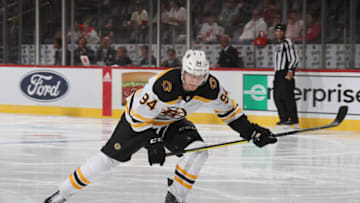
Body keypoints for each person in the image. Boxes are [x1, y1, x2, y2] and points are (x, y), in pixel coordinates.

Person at [44, 50, 277, 203]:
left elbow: (230, 112)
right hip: (139, 121)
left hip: (171, 121)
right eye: (190, 75)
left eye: (200, 76)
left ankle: (175, 197)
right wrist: (151, 140)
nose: (194, 81)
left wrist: (252, 131)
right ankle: (61, 194)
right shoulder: (163, 86)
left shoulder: (212, 88)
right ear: (183, 71)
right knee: (107, 161)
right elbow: (137, 117)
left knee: (198, 152)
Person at [273, 24, 299, 128]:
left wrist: (291, 70)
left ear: (284, 32)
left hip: (285, 71)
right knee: (277, 97)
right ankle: (283, 118)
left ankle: (293, 119)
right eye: (277, 31)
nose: (279, 33)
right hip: (278, 73)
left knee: (287, 97)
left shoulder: (287, 43)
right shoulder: (277, 44)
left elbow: (294, 58)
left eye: (281, 31)